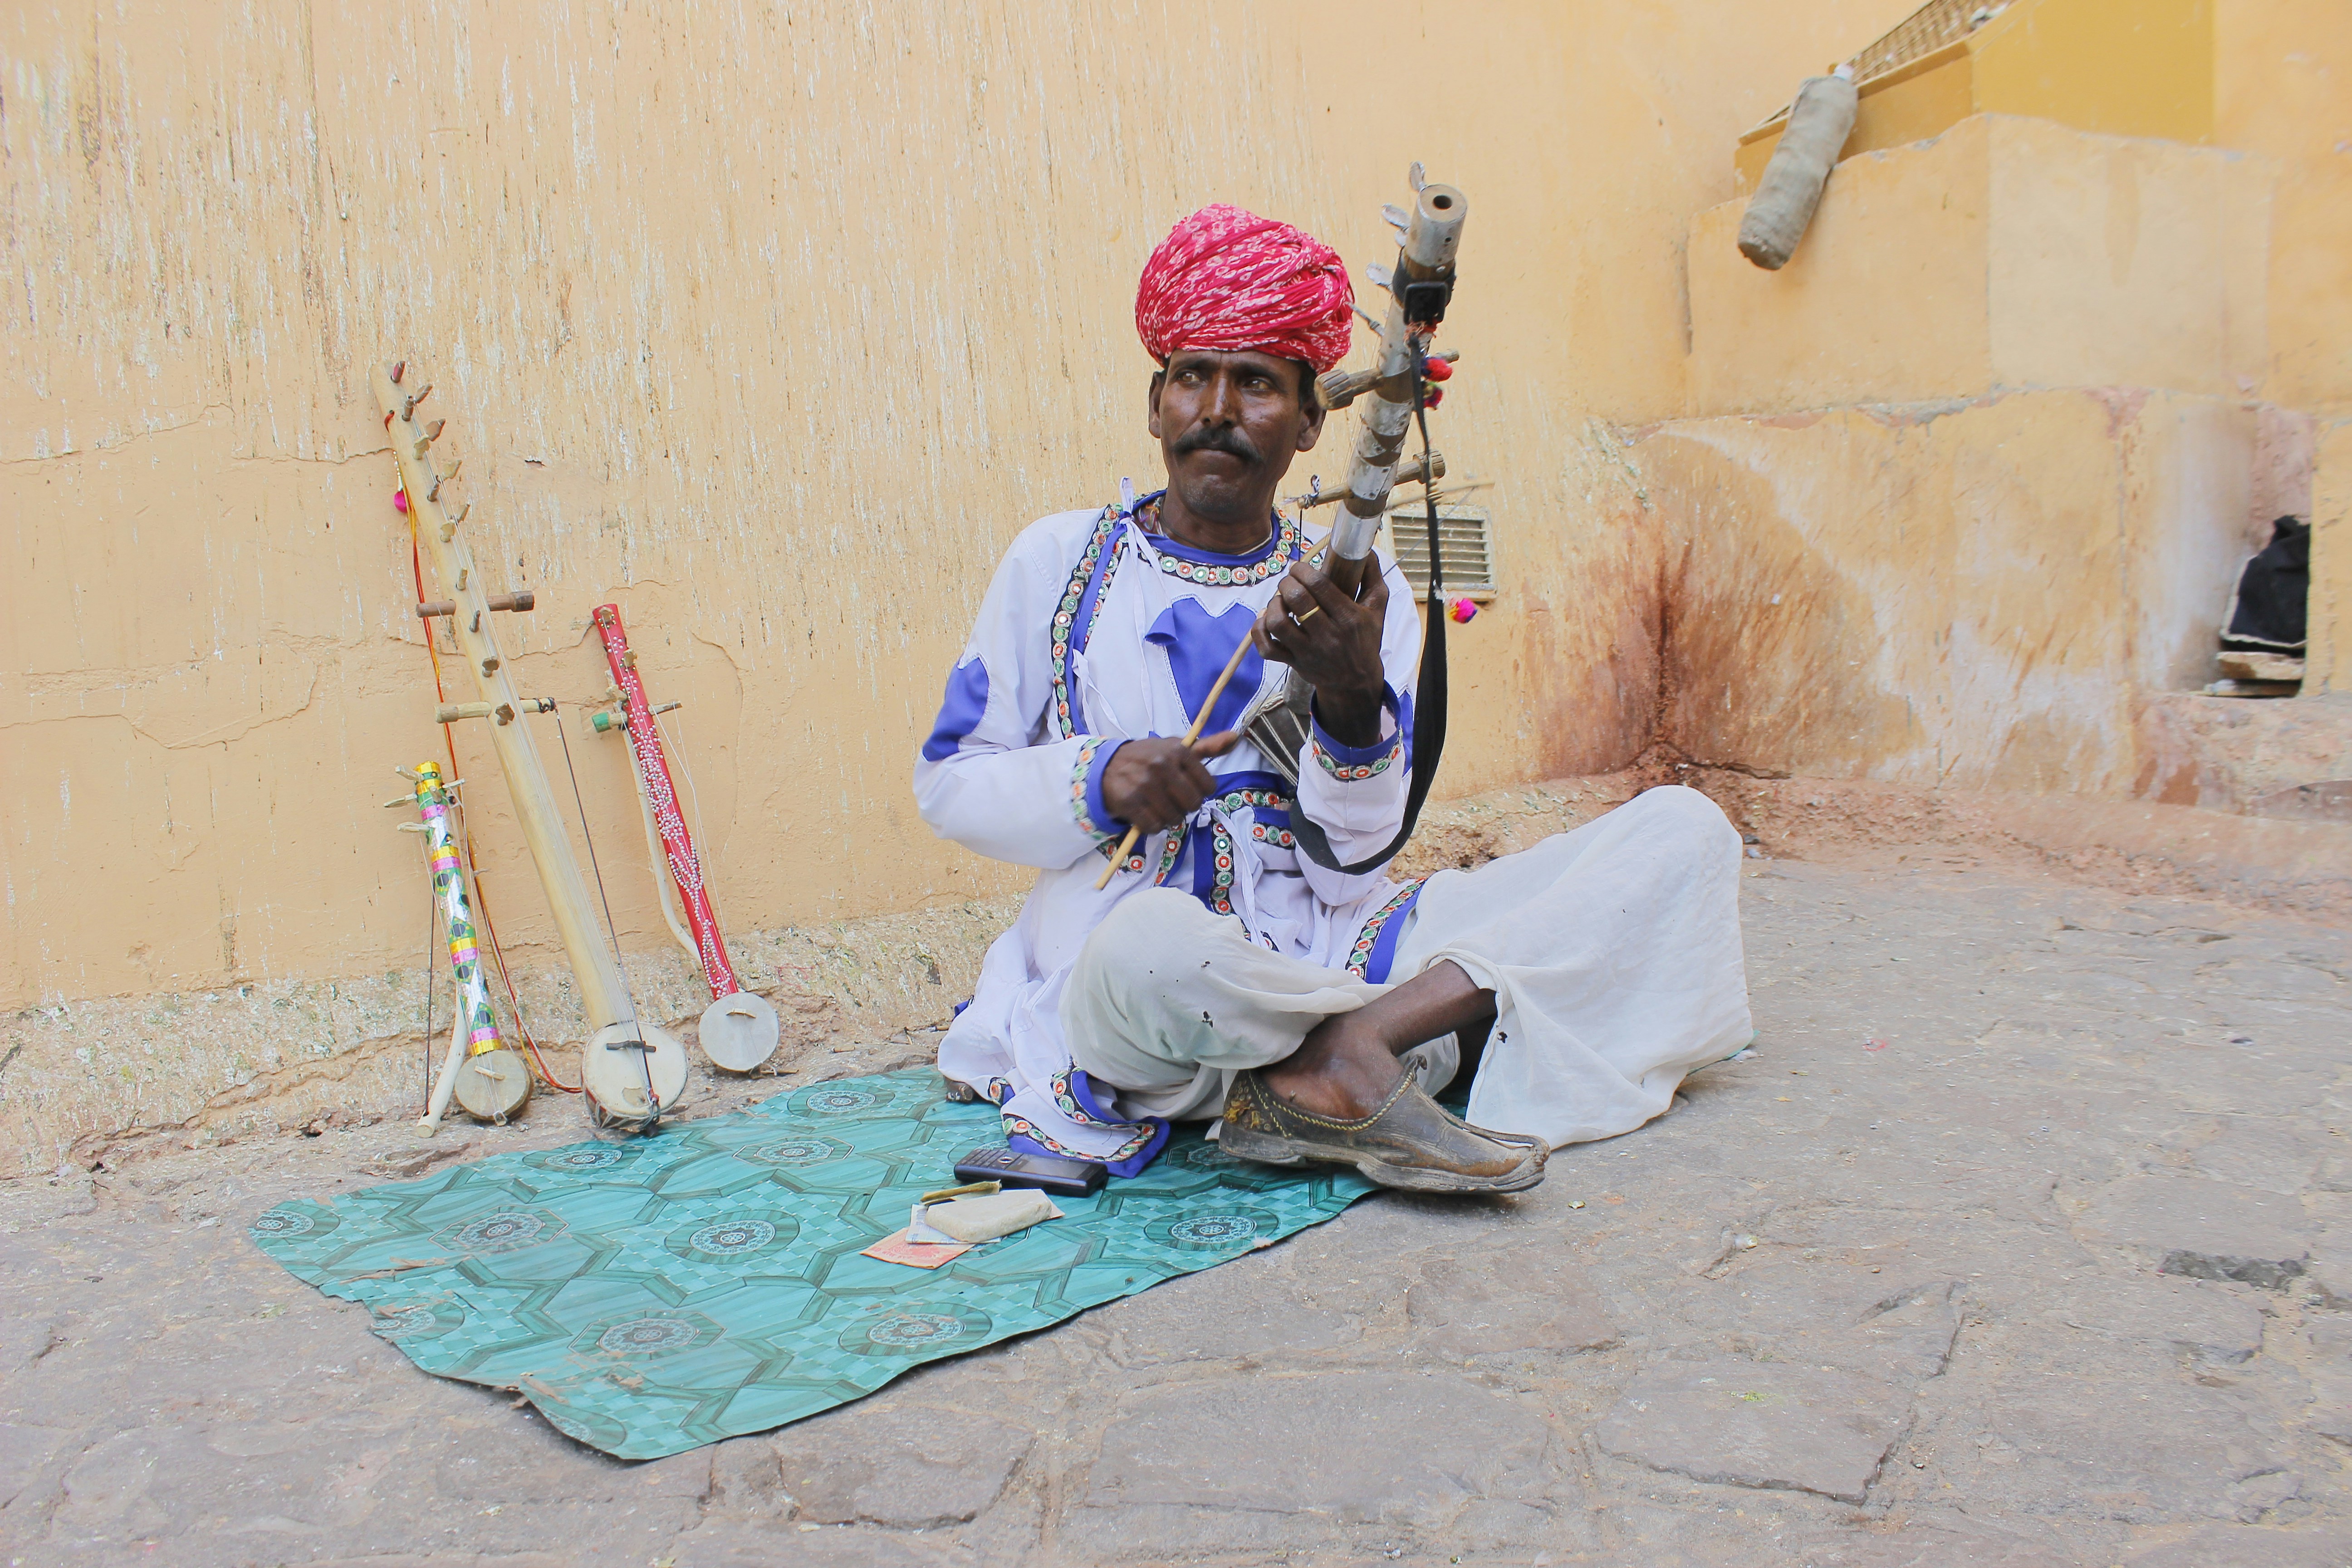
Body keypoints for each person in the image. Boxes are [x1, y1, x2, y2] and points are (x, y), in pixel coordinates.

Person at [913, 204, 1752, 1194]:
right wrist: (1098, 777)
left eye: (1259, 383)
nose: (1218, 408)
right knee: (1151, 952)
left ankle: (1340, 1052)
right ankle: (1378, 1045)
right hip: (1143, 974)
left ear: (1312, 421)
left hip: (1341, 937)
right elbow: (950, 783)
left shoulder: (1352, 589)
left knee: (1684, 834)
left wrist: (1353, 696)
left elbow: (1356, 852)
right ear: (1155, 403)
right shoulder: (1055, 560)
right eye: (1194, 376)